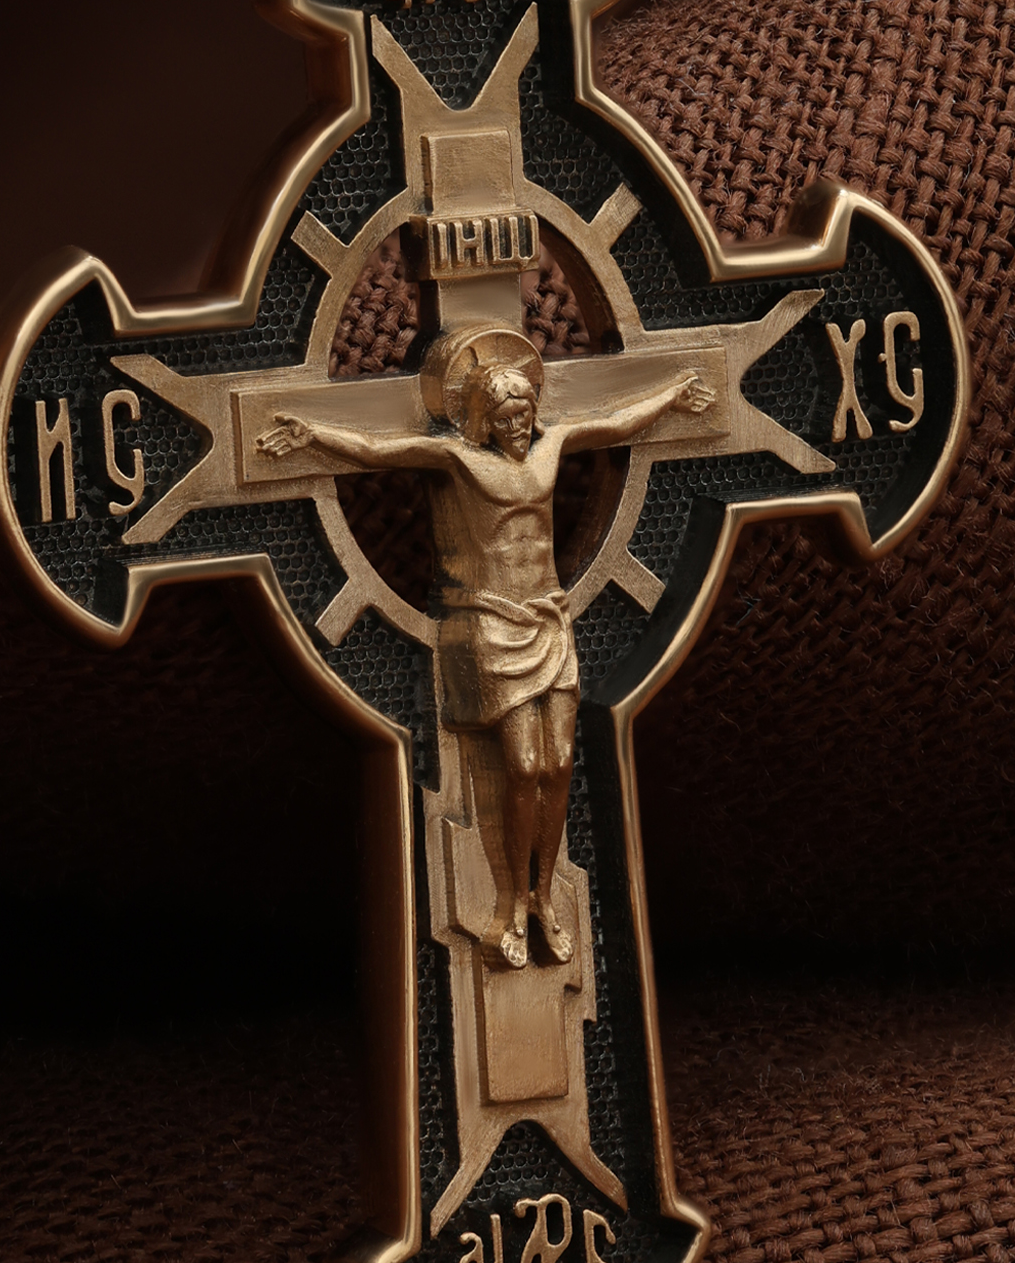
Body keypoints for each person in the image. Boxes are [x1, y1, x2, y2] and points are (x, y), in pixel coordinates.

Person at [258, 343, 712, 966]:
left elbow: (617, 421)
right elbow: (378, 449)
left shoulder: (554, 444)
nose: (517, 424)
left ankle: (544, 897)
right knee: (523, 765)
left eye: (523, 411)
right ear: (483, 420)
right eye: (504, 416)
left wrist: (673, 397)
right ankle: (510, 904)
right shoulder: (458, 458)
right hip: (493, 623)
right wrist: (312, 434)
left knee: (560, 763)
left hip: (549, 616)